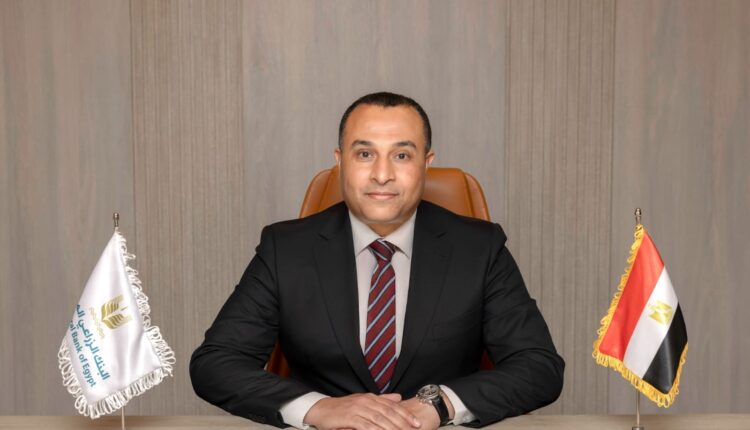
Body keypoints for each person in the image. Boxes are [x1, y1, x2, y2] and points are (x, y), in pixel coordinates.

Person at [190, 92, 564, 429]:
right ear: (340, 161)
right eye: (365, 154)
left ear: (426, 163)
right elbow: (216, 363)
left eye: (402, 155)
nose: (382, 175)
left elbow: (539, 366)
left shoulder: (480, 248)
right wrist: (319, 408)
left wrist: (439, 404)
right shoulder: (285, 248)